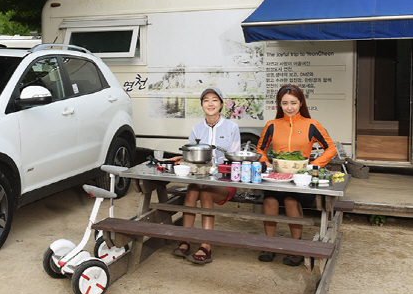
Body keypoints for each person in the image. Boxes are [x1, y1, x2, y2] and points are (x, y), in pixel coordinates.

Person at [142, 87, 240, 264]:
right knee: (192, 191)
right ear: (202, 105)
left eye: (214, 100)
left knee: (205, 193)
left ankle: (206, 245)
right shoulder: (196, 129)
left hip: (224, 179)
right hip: (201, 177)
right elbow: (192, 156)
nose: (210, 104)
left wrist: (219, 169)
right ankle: (185, 240)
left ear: (221, 104)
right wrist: (182, 157)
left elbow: (235, 158)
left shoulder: (232, 127)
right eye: (206, 100)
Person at [255, 84, 337, 266]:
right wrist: (266, 162)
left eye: (293, 102)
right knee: (269, 201)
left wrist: (312, 166)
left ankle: (296, 247)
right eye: (285, 103)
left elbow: (330, 149)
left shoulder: (312, 125)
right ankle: (270, 245)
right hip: (276, 177)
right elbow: (260, 149)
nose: (289, 107)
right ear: (279, 105)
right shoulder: (272, 125)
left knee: (291, 201)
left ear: (301, 103)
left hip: (301, 179)